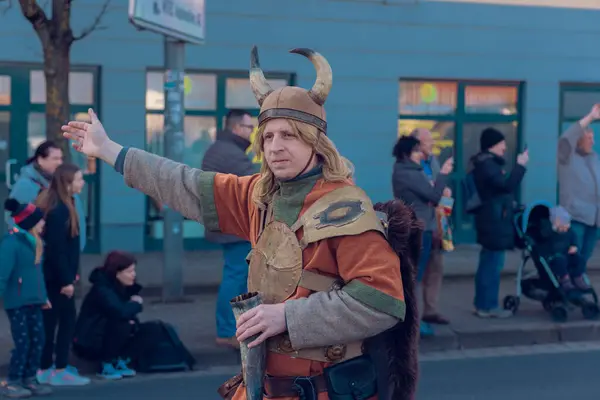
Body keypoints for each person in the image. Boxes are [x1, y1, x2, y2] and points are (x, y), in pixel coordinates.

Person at [62, 46, 419, 400]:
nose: (275, 146)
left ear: (316, 142)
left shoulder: (346, 207)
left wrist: (287, 317)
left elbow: (381, 303)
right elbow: (182, 182)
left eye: (289, 135)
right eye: (267, 136)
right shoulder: (259, 195)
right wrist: (108, 149)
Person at [202, 109, 258, 349]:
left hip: (227, 223)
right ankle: (226, 332)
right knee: (236, 277)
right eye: (249, 128)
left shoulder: (221, 148)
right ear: (236, 129)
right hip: (233, 225)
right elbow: (257, 182)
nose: (252, 133)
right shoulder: (230, 153)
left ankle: (233, 328)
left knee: (237, 276)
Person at [392, 135, 453, 337]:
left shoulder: (407, 171)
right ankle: (412, 324)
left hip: (420, 226)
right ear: (408, 153)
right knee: (415, 278)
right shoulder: (409, 173)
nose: (421, 154)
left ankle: (412, 322)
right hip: (419, 229)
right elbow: (434, 196)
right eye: (417, 151)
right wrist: (443, 173)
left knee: (415, 276)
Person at [35, 164, 90, 386]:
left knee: (52, 322)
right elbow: (58, 250)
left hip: (58, 277)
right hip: (58, 280)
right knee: (64, 322)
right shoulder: (61, 211)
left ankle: (47, 368)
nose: (82, 183)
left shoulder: (63, 205)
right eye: (78, 179)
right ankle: (56, 369)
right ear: (67, 183)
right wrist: (67, 280)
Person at [471, 128, 528, 318]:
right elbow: (506, 186)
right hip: (493, 222)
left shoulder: (486, 163)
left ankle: (483, 305)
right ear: (492, 145)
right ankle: (488, 306)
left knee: (490, 262)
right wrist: (520, 166)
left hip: (493, 220)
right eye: (502, 143)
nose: (505, 147)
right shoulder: (488, 165)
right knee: (492, 265)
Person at [0, 199, 53, 398]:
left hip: (34, 300)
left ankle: (29, 378)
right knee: (23, 342)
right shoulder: (11, 244)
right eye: (40, 221)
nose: (43, 224)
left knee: (38, 340)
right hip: (18, 302)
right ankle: (14, 381)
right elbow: (2, 274)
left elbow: (37, 276)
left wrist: (44, 297)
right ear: (30, 223)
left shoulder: (36, 244)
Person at [8, 141, 87, 253]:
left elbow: (77, 218)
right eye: (55, 159)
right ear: (40, 160)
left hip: (69, 250)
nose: (60, 163)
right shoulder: (26, 185)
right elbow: (14, 220)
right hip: (40, 253)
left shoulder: (64, 184)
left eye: (61, 158)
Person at [73, 251, 141, 380]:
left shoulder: (122, 287)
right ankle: (107, 364)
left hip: (102, 332)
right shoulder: (103, 289)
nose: (134, 275)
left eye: (134, 271)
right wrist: (136, 304)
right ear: (117, 273)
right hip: (89, 339)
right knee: (123, 323)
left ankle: (118, 359)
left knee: (139, 327)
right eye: (129, 272)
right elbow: (119, 312)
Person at [410, 128, 452, 326]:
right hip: (423, 222)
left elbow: (439, 186)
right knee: (418, 271)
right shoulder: (412, 164)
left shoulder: (432, 160)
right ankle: (416, 316)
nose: (432, 144)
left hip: (439, 219)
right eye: (428, 141)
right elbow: (428, 190)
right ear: (418, 143)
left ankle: (431, 310)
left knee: (437, 266)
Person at [558, 104, 600, 274]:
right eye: (589, 138)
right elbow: (566, 138)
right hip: (576, 218)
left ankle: (577, 291)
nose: (593, 142)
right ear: (579, 139)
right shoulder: (567, 157)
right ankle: (569, 293)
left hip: (594, 219)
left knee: (583, 260)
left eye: (593, 137)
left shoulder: (594, 158)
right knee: (572, 260)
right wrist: (590, 117)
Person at [536, 206, 588, 293]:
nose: (564, 228)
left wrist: (574, 246)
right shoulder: (548, 232)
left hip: (567, 254)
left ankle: (578, 277)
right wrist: (554, 228)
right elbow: (542, 239)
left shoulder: (569, 231)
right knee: (560, 261)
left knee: (580, 259)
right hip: (553, 257)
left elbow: (573, 239)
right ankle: (564, 279)